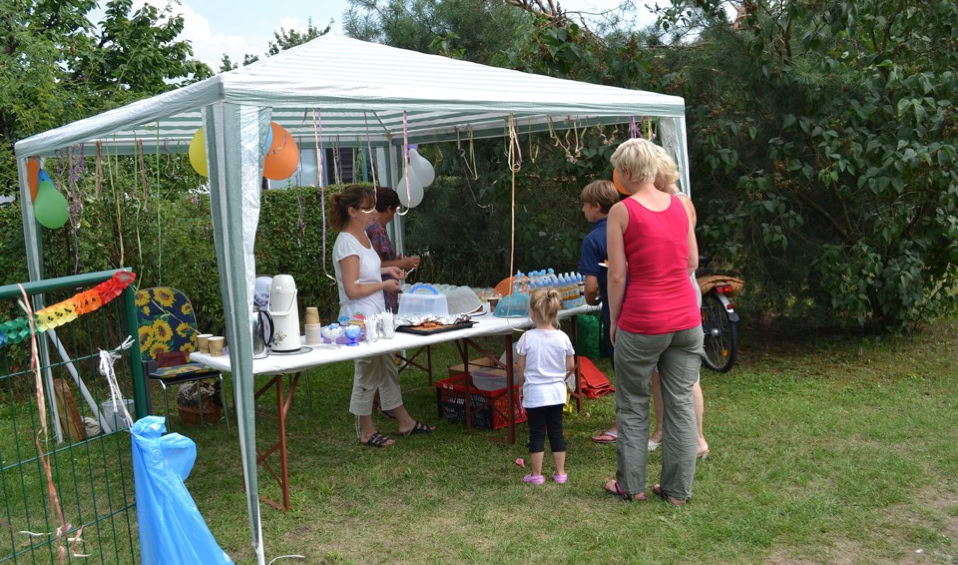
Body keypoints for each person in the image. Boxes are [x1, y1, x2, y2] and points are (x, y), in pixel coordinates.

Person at [603, 138, 703, 505]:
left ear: (627, 171)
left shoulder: (622, 211)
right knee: (680, 403)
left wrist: (615, 319)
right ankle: (677, 491)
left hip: (643, 320)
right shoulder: (680, 205)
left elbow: (617, 275)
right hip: (687, 320)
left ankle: (632, 486)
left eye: (618, 171)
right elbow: (692, 262)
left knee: (633, 403)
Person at [331, 184, 434, 448]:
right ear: (352, 211)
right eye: (367, 208)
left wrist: (388, 272)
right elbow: (352, 289)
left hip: (375, 315)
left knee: (387, 366)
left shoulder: (363, 238)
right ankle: (366, 430)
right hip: (358, 318)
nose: (373, 213)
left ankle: (404, 421)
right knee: (367, 370)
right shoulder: (346, 243)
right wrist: (383, 284)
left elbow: (366, 273)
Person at [647, 146, 709, 459]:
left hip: (678, 291)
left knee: (685, 374)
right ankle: (663, 430)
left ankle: (697, 439)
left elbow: (686, 259)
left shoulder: (678, 202)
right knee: (660, 371)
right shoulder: (672, 200)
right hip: (673, 290)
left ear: (658, 175)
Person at [516, 288, 575, 485]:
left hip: (534, 394)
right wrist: (560, 378)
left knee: (537, 433)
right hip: (556, 393)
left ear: (532, 312)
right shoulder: (563, 337)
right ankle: (560, 473)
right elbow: (570, 366)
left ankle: (536, 475)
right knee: (556, 431)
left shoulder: (526, 338)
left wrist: (521, 385)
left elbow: (520, 367)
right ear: (555, 312)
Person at [365, 187, 421, 313]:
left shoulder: (375, 227)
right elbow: (375, 264)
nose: (392, 216)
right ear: (389, 208)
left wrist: (395, 260)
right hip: (381, 293)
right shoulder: (376, 229)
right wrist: (403, 263)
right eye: (394, 212)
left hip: (383, 292)